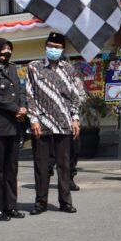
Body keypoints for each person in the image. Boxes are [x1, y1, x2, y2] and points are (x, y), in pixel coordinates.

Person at [26, 32, 85, 215]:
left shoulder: (69, 69)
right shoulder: (34, 67)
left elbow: (75, 96)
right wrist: (33, 119)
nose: (54, 49)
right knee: (41, 165)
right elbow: (30, 94)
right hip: (41, 122)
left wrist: (75, 118)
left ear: (63, 49)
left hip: (64, 122)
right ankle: (40, 202)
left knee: (64, 165)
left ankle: (65, 202)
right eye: (51, 46)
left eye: (57, 47)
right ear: (45, 46)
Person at [0, 38, 27, 221]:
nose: (6, 51)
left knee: (11, 169)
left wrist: (23, 107)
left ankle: (10, 206)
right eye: (3, 49)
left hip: (14, 125)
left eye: (9, 48)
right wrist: (14, 108)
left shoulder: (12, 68)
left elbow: (20, 91)